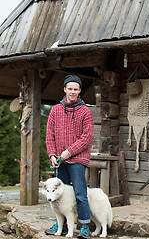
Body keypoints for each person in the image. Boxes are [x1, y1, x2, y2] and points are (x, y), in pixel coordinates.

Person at [45, 75, 94, 239]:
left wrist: (68, 152)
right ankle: (63, 225)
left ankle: (84, 225)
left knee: (80, 194)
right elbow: (49, 135)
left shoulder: (85, 111)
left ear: (79, 91)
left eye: (75, 89)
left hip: (77, 160)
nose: (72, 92)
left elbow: (86, 138)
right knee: (61, 194)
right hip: (59, 160)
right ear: (65, 89)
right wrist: (52, 154)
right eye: (70, 88)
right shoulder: (55, 110)